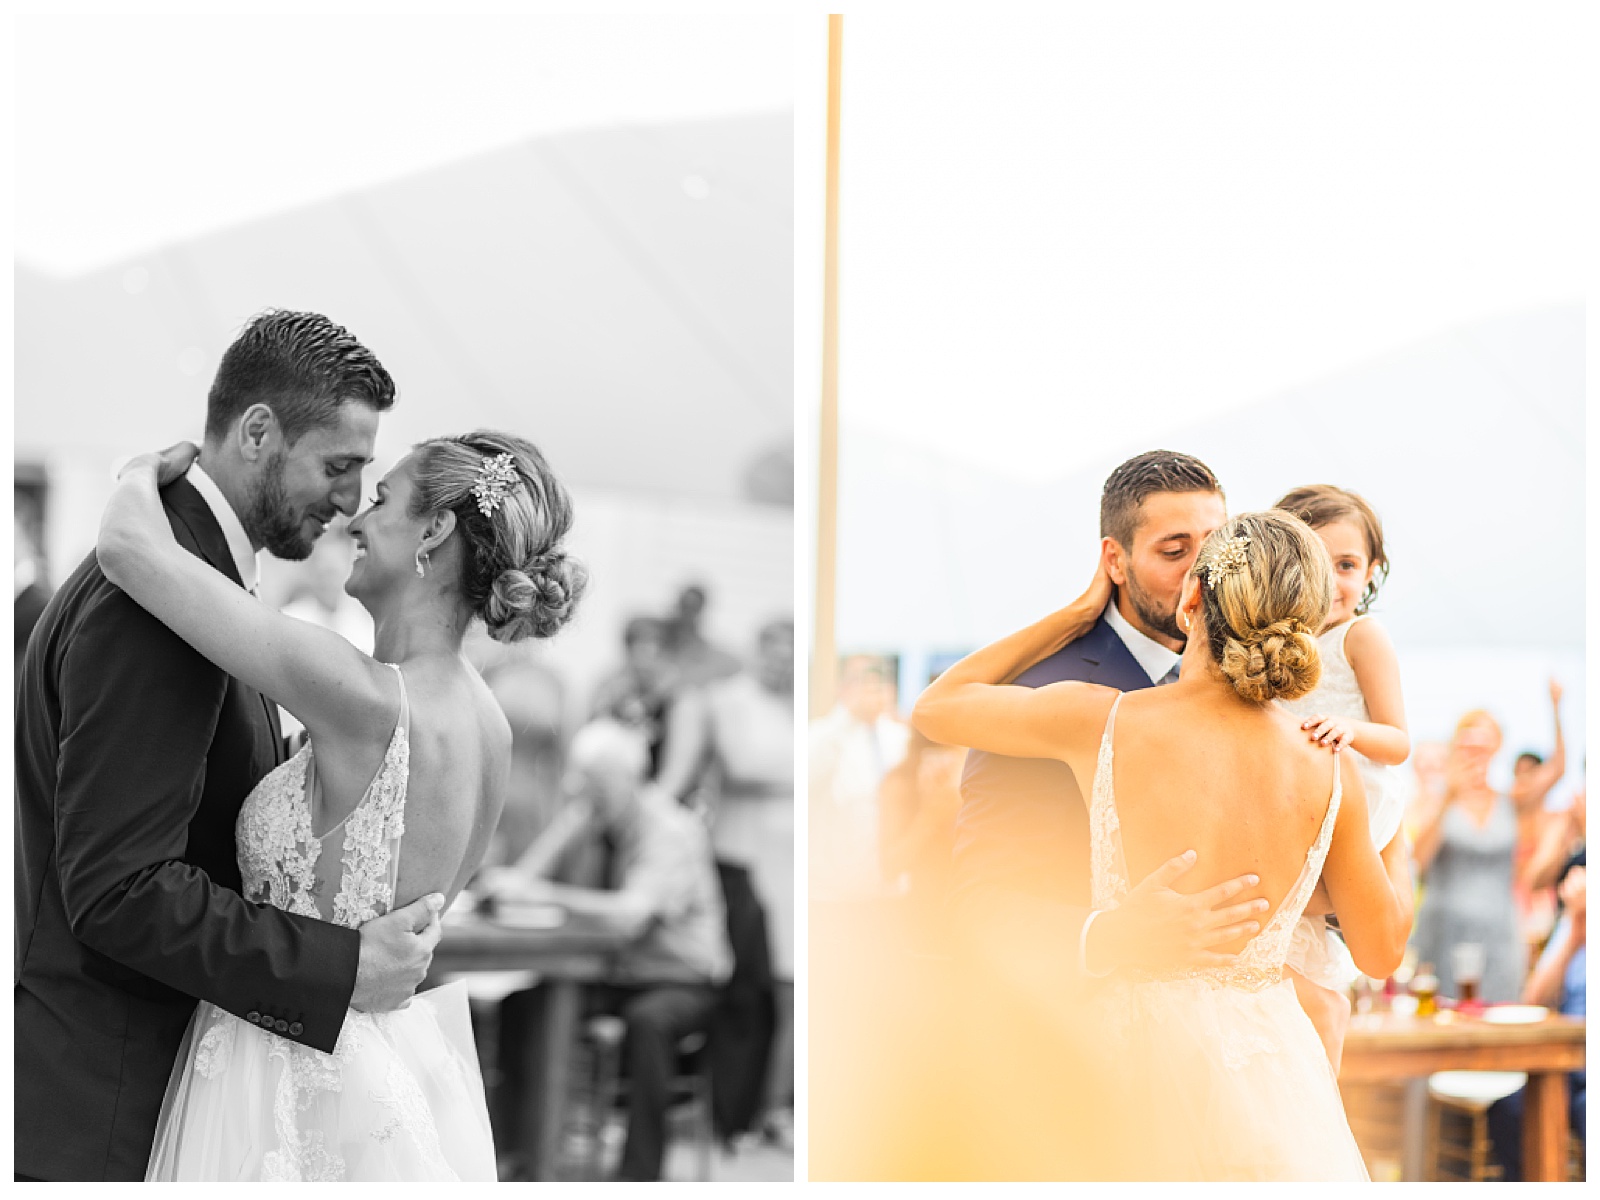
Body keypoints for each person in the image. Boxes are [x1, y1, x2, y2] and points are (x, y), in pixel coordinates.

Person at [12, 311, 448, 1181]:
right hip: (106, 1099)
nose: (351, 500)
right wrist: (341, 968)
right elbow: (120, 891)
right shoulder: (158, 606)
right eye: (338, 466)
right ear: (257, 432)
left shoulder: (193, 575)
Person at [97, 420, 585, 1179]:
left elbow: (130, 553)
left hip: (280, 1074)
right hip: (389, 1069)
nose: (356, 517)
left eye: (383, 498)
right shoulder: (490, 725)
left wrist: (138, 472)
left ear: (436, 528)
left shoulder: (361, 695)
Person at [915, 511, 1410, 1180]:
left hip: (1125, 1058)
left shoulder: (1102, 720)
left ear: (1194, 597)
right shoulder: (1327, 769)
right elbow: (1381, 952)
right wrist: (1397, 822)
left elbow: (938, 706)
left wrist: (1078, 614)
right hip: (1268, 1081)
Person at [484, 720, 733, 1182]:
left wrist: (546, 895)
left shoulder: (668, 830)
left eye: (591, 782)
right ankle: (513, 1153)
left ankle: (637, 1177)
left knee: (648, 1023)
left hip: (684, 977)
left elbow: (628, 918)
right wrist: (572, 821)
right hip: (621, 971)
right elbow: (525, 881)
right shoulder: (603, 816)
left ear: (623, 779)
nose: (579, 791)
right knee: (525, 1002)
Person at [1273, 484, 1415, 1070]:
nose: (1332, 581)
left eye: (1348, 565)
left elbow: (1399, 740)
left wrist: (1348, 730)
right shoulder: (1282, 643)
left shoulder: (1362, 635)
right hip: (1302, 791)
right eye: (1316, 562)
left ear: (1372, 571)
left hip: (1359, 780)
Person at [705, 617, 795, 1143]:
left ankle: (765, 1112)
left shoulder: (789, 707)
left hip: (786, 872)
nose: (780, 663)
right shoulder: (729, 700)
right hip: (742, 866)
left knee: (779, 997)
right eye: (773, 652)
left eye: (788, 654)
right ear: (756, 650)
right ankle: (730, 1114)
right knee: (744, 994)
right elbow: (740, 764)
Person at [1409, 709, 1528, 1003]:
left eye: (1484, 745)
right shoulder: (1434, 797)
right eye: (1468, 745)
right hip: (1443, 933)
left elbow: (1555, 772)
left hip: (1499, 935)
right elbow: (1417, 862)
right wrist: (1448, 796)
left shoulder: (1510, 800)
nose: (1476, 754)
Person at [1486, 854, 1585, 1181]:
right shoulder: (1573, 923)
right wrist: (1575, 932)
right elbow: (1533, 998)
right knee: (1508, 1111)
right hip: (1566, 1060)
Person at [808, 655, 910, 899]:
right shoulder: (820, 736)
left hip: (892, 886)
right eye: (861, 681)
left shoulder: (901, 738)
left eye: (877, 681)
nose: (870, 689)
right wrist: (850, 714)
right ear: (842, 687)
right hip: (835, 888)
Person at [591, 615, 710, 803]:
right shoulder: (613, 692)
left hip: (661, 806)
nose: (643, 660)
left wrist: (648, 808)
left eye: (651, 649)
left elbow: (677, 774)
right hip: (615, 803)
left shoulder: (682, 701)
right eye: (635, 650)